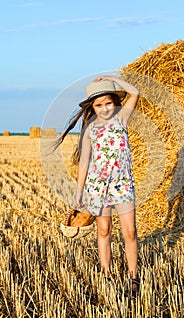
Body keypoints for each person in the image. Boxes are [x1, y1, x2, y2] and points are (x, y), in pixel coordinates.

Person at [57, 75, 140, 297]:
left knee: (130, 232)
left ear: (115, 102)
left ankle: (133, 279)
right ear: (92, 108)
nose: (104, 108)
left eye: (108, 103)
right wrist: (78, 192)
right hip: (97, 186)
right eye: (99, 104)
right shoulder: (90, 129)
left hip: (122, 185)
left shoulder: (122, 118)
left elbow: (135, 93)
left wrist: (113, 78)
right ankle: (106, 275)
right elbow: (84, 163)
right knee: (104, 230)